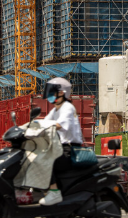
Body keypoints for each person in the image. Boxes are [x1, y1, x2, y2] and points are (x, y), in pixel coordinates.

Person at [38, 77, 83, 206]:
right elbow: (44, 121)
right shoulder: (55, 110)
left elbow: (59, 125)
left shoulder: (67, 108)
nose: (50, 96)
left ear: (61, 93)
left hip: (71, 150)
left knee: (46, 159)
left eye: (52, 92)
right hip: (61, 148)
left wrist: (44, 125)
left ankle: (54, 192)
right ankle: (46, 192)